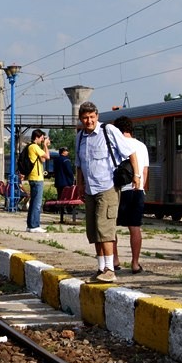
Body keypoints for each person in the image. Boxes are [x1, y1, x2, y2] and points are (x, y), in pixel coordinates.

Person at [74, 101, 139, 283]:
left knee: (105, 228)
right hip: (90, 189)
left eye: (92, 117)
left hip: (107, 187)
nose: (89, 121)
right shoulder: (79, 137)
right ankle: (101, 268)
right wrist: (79, 184)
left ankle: (110, 269)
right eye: (85, 118)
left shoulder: (108, 131)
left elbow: (130, 153)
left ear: (97, 116)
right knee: (94, 231)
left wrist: (137, 176)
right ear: (81, 119)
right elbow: (79, 165)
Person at [111, 116, 149, 274]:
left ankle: (114, 260)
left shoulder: (115, 144)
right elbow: (145, 170)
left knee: (111, 227)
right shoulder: (141, 146)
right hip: (137, 190)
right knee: (135, 228)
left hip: (119, 190)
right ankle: (135, 263)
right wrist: (140, 187)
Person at [23, 129, 50, 233]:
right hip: (37, 178)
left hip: (33, 177)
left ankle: (30, 225)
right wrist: (46, 145)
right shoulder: (34, 146)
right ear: (37, 137)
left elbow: (42, 159)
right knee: (37, 204)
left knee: (34, 202)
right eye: (42, 138)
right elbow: (47, 157)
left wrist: (44, 145)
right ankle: (35, 225)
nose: (42, 140)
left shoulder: (31, 147)